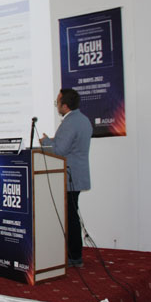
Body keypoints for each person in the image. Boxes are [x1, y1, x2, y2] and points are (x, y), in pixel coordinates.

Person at [40, 88, 92, 267]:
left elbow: (60, 150)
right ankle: (73, 254)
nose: (56, 106)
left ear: (65, 105)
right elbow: (69, 146)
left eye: (58, 103)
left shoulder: (70, 122)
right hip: (76, 175)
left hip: (70, 176)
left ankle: (74, 256)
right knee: (71, 215)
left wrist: (45, 142)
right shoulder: (83, 120)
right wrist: (53, 141)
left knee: (70, 217)